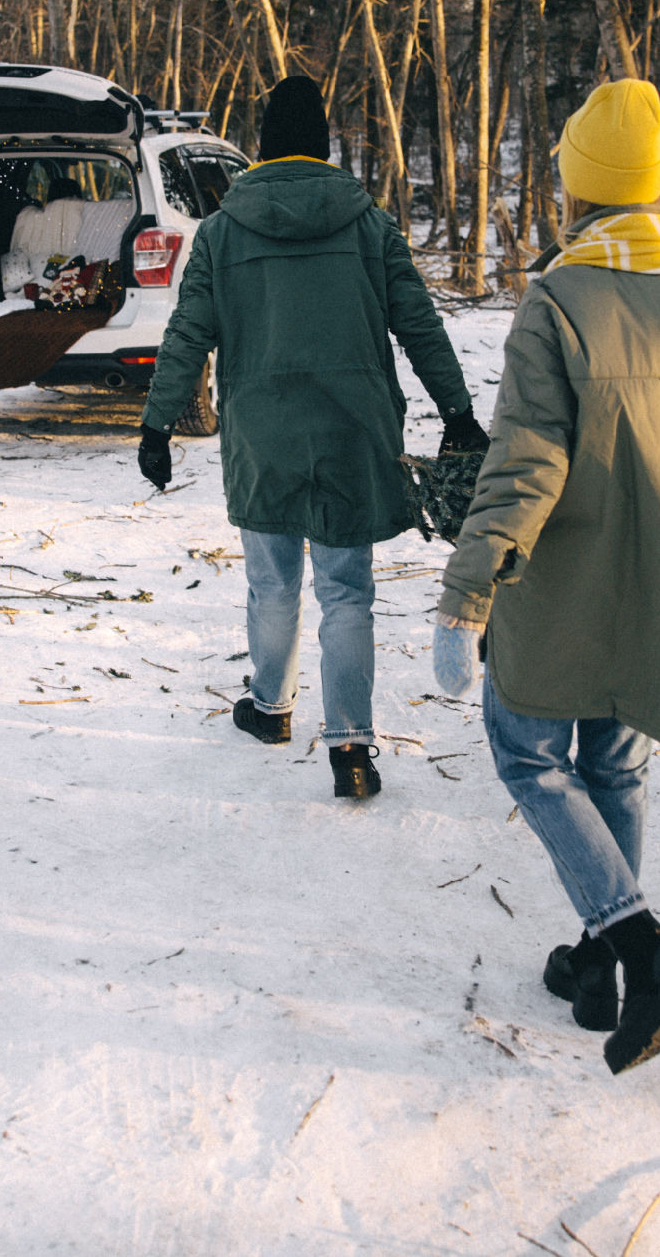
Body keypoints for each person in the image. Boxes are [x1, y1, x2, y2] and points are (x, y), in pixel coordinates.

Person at [431, 78, 660, 1073]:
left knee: (526, 753)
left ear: (577, 187)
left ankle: (639, 948)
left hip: (561, 580)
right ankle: (599, 966)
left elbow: (526, 466)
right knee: (615, 767)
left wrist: (466, 595)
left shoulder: (558, 300)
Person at [139, 75, 488, 799]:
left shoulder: (223, 231)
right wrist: (456, 410)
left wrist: (157, 420)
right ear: (324, 145)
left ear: (262, 146)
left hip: (263, 436)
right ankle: (352, 747)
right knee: (347, 591)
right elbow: (418, 322)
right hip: (352, 431)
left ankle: (271, 709)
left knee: (272, 582)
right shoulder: (367, 224)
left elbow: (188, 334)